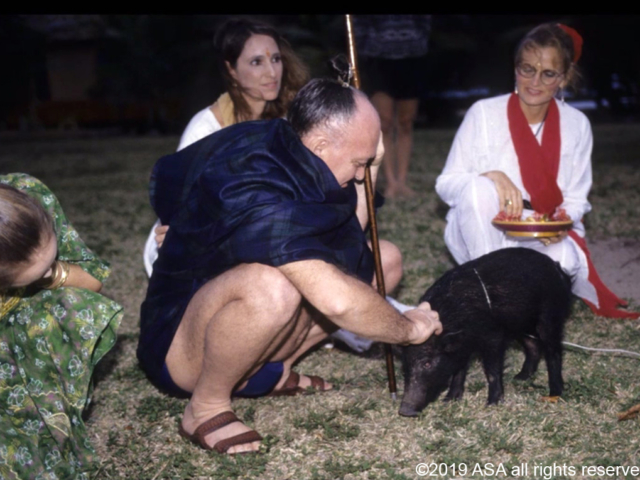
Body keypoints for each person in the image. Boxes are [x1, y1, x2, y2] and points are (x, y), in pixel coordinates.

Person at [138, 79, 443, 455]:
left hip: (250, 342)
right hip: (181, 346)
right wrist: (409, 329)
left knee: (384, 260)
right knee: (272, 286)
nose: (362, 175)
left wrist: (373, 164)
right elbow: (337, 301)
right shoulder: (259, 186)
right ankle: (206, 406)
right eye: (359, 163)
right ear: (320, 145)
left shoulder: (299, 149)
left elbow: (347, 241)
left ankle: (273, 370)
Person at [436, 23, 638, 319]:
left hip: (541, 233)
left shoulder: (577, 124)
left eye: (548, 73)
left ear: (565, 77)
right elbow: (446, 184)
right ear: (515, 68)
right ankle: (494, 292)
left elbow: (576, 198)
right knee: (479, 188)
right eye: (527, 69)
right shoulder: (483, 112)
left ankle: (505, 291)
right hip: (482, 229)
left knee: (565, 262)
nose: (535, 81)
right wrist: (492, 176)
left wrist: (558, 225)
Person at [143, 17, 309, 276]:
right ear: (231, 69)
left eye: (275, 59)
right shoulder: (206, 129)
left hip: (258, 239)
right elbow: (179, 210)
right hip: (193, 249)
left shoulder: (287, 122)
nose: (272, 72)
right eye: (257, 62)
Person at [0, 173, 123, 478]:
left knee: (74, 308)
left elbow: (90, 282)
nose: (45, 274)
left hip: (21, 320)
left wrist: (53, 273)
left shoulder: (27, 193)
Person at [354, 15, 431, 199]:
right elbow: (359, 25)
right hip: (379, 59)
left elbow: (425, 22)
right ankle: (391, 182)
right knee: (384, 123)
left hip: (411, 58)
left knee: (405, 122)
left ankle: (401, 181)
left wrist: (418, 42)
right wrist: (368, 48)